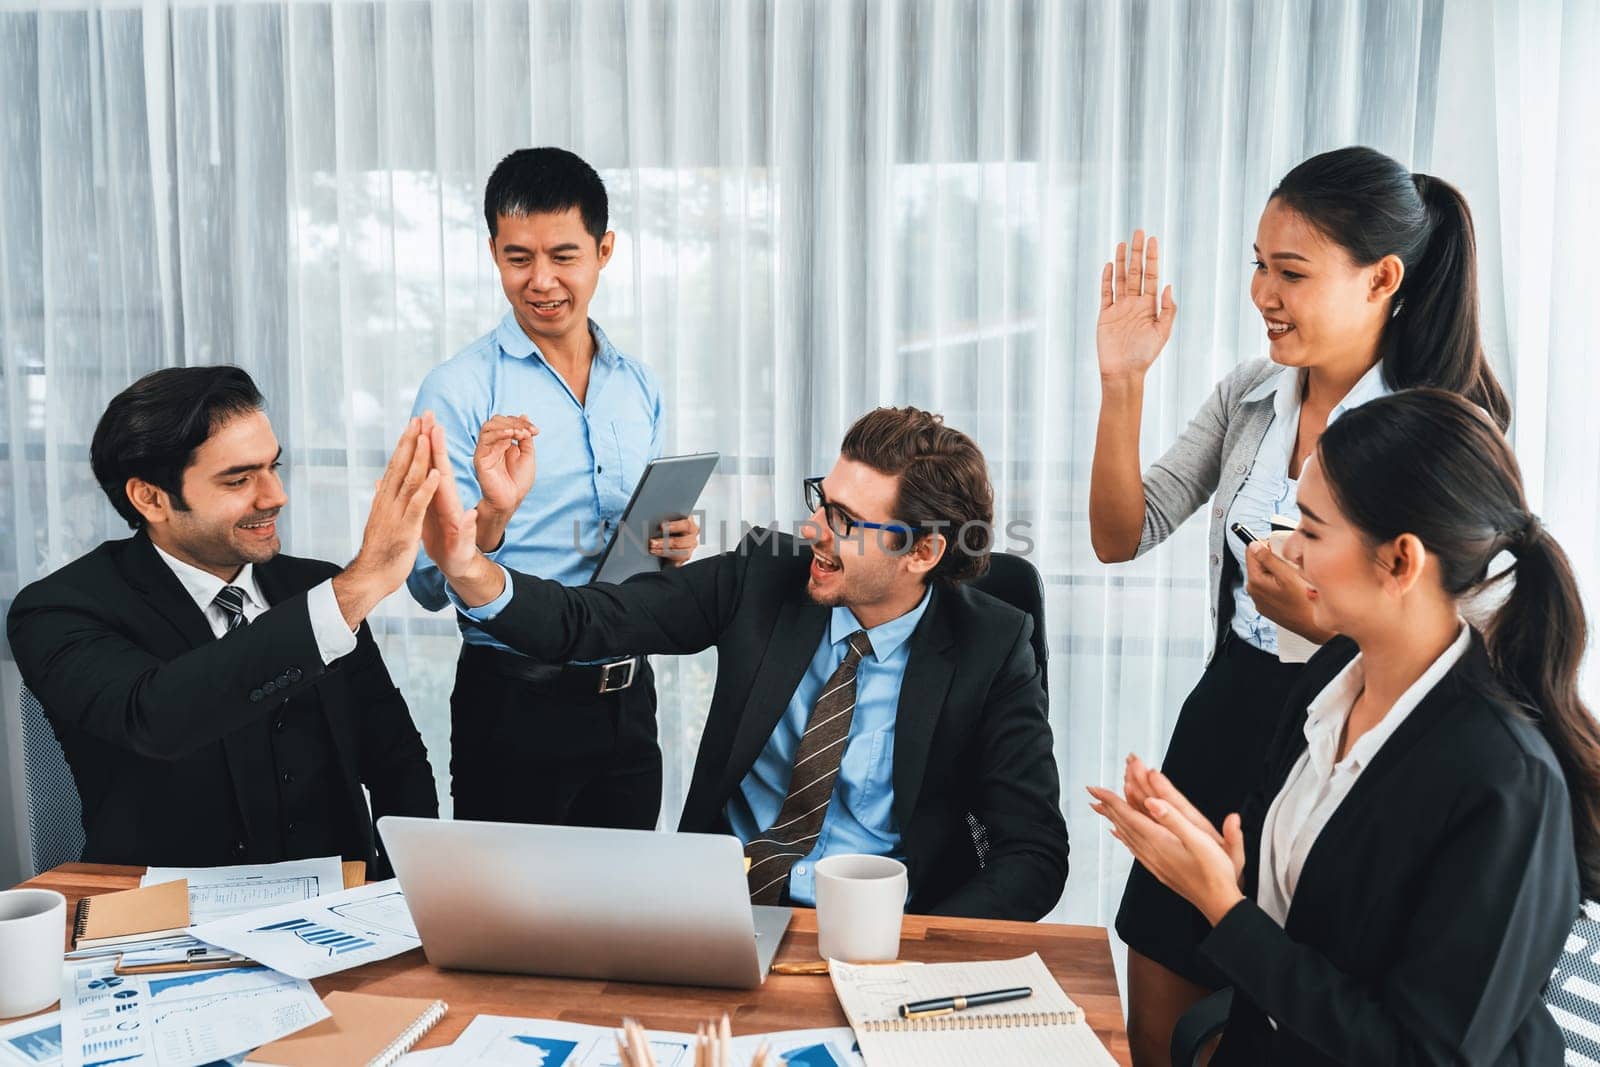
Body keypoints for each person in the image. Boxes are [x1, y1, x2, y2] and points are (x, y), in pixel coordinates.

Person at [1089, 145, 1511, 1061]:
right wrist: (1123, 383)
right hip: (1227, 710)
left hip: (1342, 736)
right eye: (1257, 264)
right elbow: (1123, 532)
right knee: (1160, 976)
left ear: (1381, 279)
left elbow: (1460, 639)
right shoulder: (1253, 394)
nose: (1262, 293)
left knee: (1280, 1009)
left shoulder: (1430, 432)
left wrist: (1322, 625)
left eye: (1291, 271)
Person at [1089, 389, 1594, 1063]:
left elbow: (1419, 1053)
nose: (1287, 552)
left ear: (1401, 560)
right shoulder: (1327, 680)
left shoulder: (1505, 782)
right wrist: (1231, 873)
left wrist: (1225, 907)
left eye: (1311, 528)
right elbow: (1316, 932)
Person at [419, 405, 1068, 919]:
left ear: (921, 552)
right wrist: (469, 565)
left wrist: (916, 952)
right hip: (725, 907)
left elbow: (1033, 854)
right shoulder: (763, 575)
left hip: (878, 928)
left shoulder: (992, 645)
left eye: (844, 519)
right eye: (822, 499)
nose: (814, 528)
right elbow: (594, 621)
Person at [7, 367, 440, 875]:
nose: (274, 496)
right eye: (239, 479)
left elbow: (397, 761)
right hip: (158, 918)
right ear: (150, 498)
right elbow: (155, 717)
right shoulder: (57, 608)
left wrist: (401, 893)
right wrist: (357, 587)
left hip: (338, 916)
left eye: (273, 468)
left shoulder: (316, 588)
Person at [407, 146, 696, 831]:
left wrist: (668, 549)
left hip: (629, 700)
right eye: (518, 258)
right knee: (509, 932)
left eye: (564, 256)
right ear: (493, 252)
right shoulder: (458, 391)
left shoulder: (638, 385)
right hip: (514, 706)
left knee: (621, 924)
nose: (541, 281)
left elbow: (639, 553)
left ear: (604, 251)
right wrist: (494, 514)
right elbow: (424, 582)